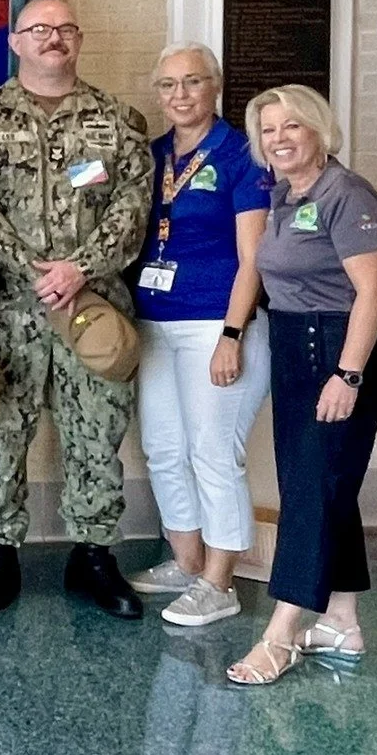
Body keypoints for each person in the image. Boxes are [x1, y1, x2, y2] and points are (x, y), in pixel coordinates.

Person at [0, 0, 152, 619]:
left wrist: (80, 268)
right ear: (16, 42)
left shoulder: (118, 120)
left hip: (93, 307)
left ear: (79, 40)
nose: (54, 38)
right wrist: (33, 270)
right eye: (39, 29)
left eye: (65, 28)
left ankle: (93, 554)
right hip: (9, 309)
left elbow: (132, 207)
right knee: (2, 430)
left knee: (97, 429)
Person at [225, 84, 377, 686]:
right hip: (295, 349)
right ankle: (341, 622)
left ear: (319, 130)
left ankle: (280, 635)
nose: (279, 139)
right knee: (321, 489)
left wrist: (348, 374)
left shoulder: (347, 194)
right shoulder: (283, 194)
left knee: (310, 496)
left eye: (291, 126)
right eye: (268, 130)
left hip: (339, 352)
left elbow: (374, 290)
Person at [123, 42, 272, 628]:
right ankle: (187, 563)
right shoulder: (154, 155)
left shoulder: (242, 155)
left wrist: (232, 334)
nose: (179, 95)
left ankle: (220, 581)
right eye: (168, 85)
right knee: (163, 447)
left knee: (213, 453)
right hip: (155, 320)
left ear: (216, 86)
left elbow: (253, 258)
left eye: (192, 82)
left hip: (215, 322)